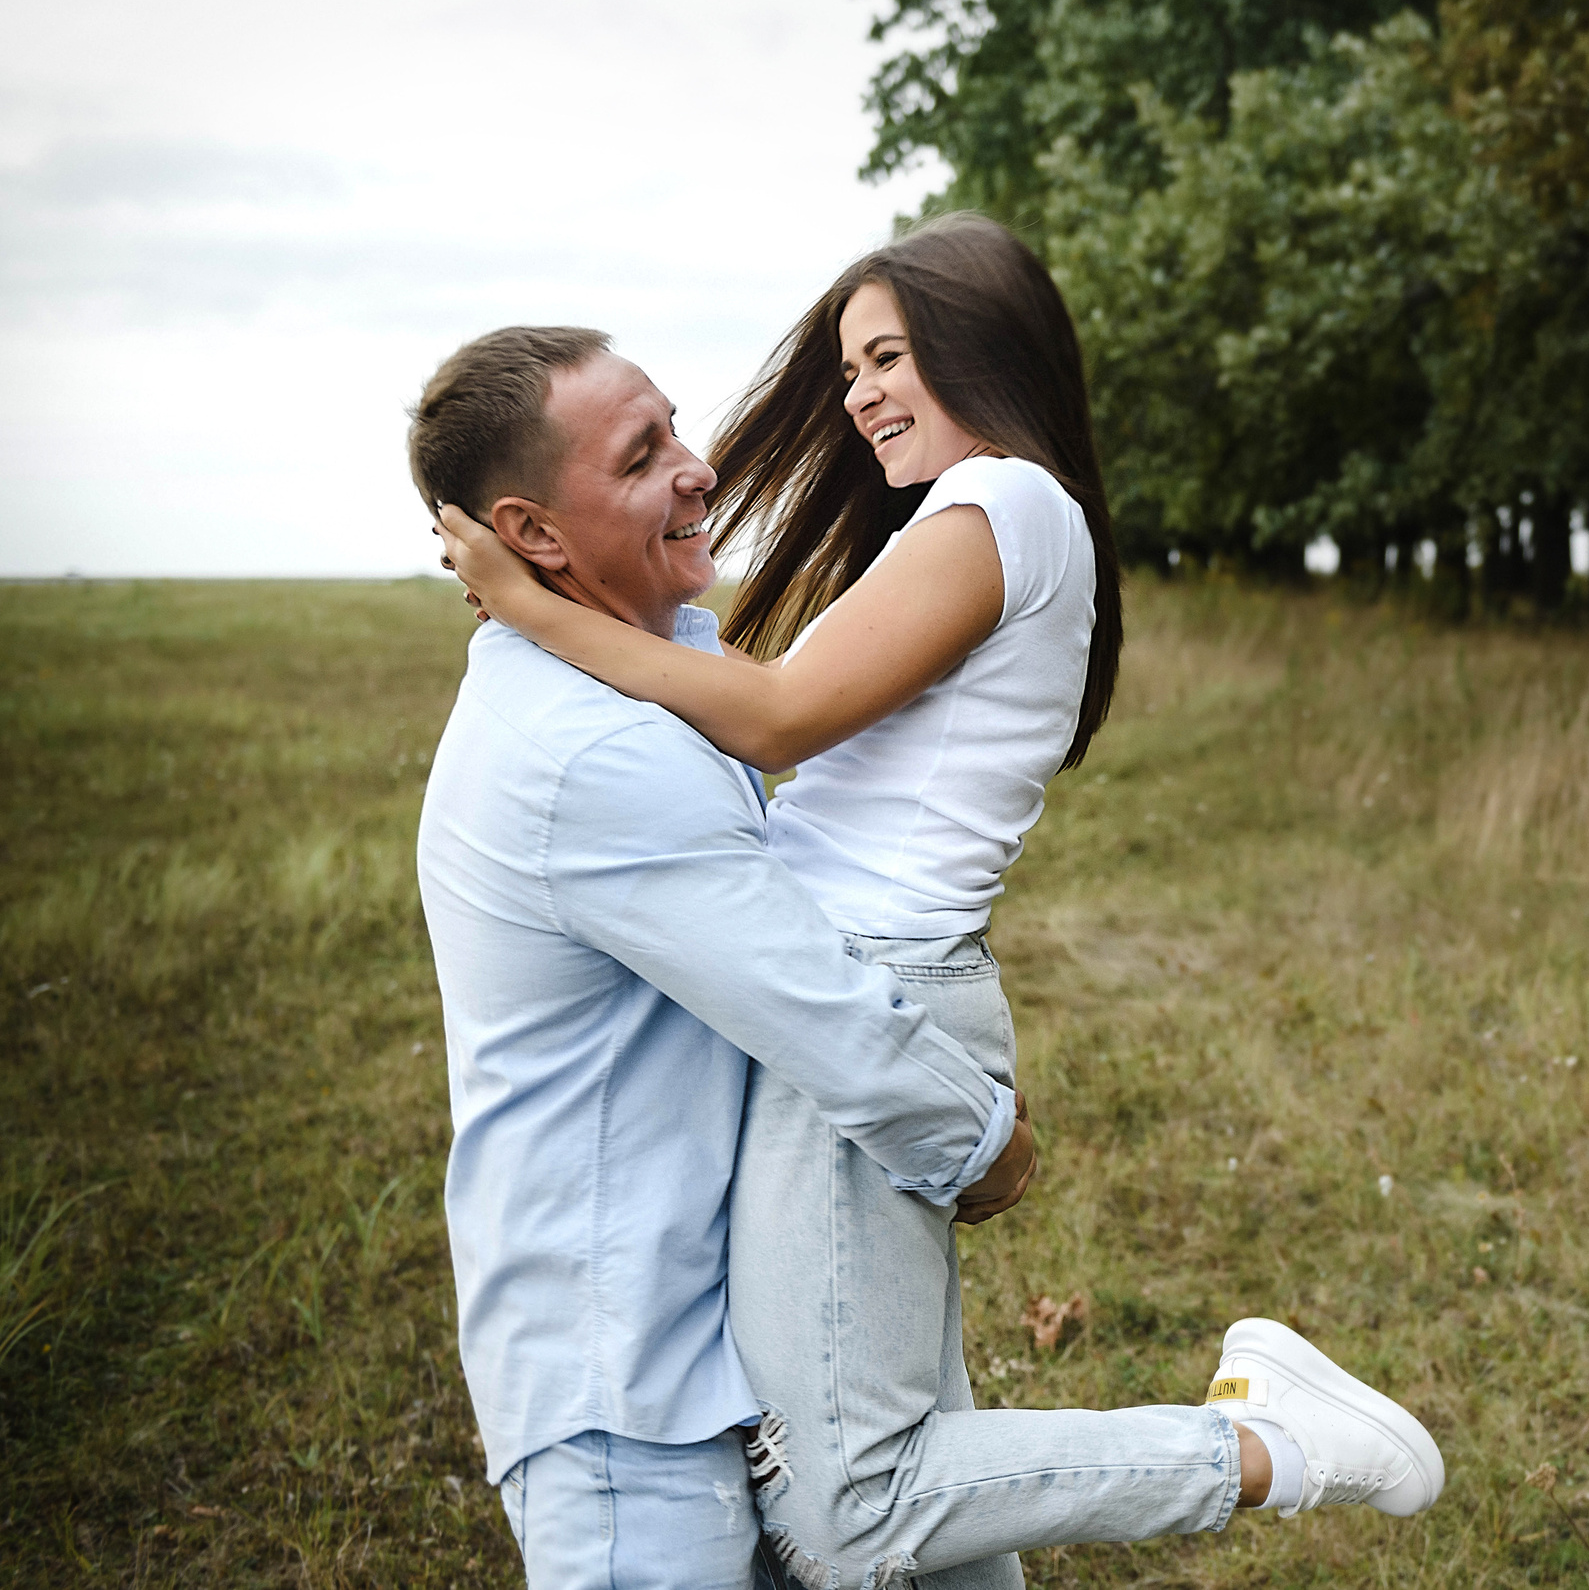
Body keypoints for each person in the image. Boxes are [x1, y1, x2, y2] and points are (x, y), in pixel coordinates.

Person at [422, 289, 1443, 1589]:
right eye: (641, 455)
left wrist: (546, 609)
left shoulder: (655, 675)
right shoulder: (590, 751)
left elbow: (780, 763)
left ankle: (1268, 1443)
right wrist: (979, 1139)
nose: (700, 465)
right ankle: (1263, 1449)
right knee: (875, 1513)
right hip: (623, 1379)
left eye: (675, 426)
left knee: (892, 1515)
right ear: (528, 534)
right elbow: (811, 999)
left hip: (702, 1315)